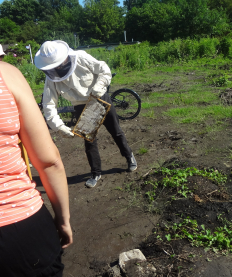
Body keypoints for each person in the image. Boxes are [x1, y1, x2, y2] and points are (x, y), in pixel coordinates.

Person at [0, 44, 73, 276]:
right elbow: (48, 160)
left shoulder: (88, 61)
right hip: (22, 229)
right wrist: (63, 219)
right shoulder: (8, 75)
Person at [34, 40, 137, 188]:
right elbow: (49, 104)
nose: (57, 68)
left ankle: (129, 157)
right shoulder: (51, 77)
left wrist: (100, 85)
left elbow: (103, 69)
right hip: (80, 106)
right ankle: (96, 172)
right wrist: (59, 126)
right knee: (89, 141)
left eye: (58, 64)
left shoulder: (81, 57)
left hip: (99, 98)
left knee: (116, 131)